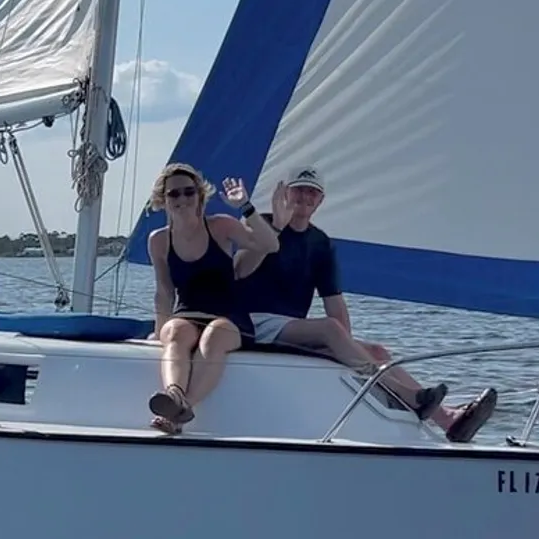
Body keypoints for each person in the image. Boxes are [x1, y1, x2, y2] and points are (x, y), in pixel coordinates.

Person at [233, 165, 496, 442]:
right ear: (286, 193)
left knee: (376, 351)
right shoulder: (259, 222)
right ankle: (410, 397)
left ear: (320, 200)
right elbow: (239, 271)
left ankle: (448, 420)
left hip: (291, 328)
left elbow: (334, 301)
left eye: (312, 192)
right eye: (299, 190)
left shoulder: (320, 243)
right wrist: (275, 227)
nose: (305, 197)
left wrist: (350, 346)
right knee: (331, 331)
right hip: (253, 322)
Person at [145, 163, 281, 435]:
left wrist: (245, 207)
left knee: (213, 336)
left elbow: (270, 245)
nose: (182, 199)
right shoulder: (158, 240)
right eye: (174, 194)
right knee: (174, 332)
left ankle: (182, 409)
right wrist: (159, 329)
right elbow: (164, 291)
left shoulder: (221, 226)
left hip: (230, 317)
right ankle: (173, 393)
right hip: (187, 314)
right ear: (163, 200)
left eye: (188, 192)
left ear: (199, 196)